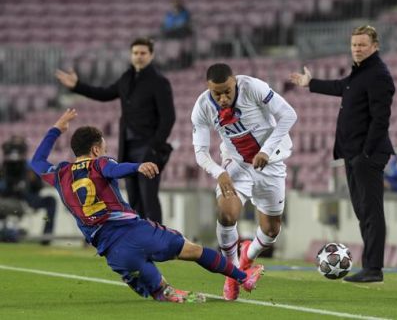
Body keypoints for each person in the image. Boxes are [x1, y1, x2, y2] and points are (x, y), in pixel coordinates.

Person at [30, 108, 264, 303]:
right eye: (103, 147)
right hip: (135, 232)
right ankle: (243, 277)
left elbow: (36, 161)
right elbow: (113, 169)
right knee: (193, 250)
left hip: (113, 253)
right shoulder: (99, 163)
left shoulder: (60, 173)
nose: (105, 151)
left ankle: (164, 291)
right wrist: (136, 166)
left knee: (159, 291)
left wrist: (56, 129)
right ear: (95, 150)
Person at [290, 25, 395, 283]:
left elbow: (381, 119)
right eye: (354, 45)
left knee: (371, 212)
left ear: (375, 46)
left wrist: (367, 153)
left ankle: (373, 269)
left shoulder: (378, 75)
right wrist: (310, 83)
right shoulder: (361, 73)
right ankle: (371, 267)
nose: (357, 49)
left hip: (366, 155)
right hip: (354, 154)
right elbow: (341, 86)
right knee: (363, 211)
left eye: (362, 44)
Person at [191, 63, 297, 300]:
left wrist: (267, 151)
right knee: (226, 213)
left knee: (271, 231)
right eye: (217, 93)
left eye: (227, 91)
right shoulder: (202, 107)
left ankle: (248, 253)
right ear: (208, 88)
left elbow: (289, 115)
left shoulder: (253, 87)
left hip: (270, 163)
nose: (223, 97)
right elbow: (200, 152)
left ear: (234, 82)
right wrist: (219, 172)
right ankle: (233, 274)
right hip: (236, 165)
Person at [55, 37, 175, 223]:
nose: (139, 57)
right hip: (127, 146)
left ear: (151, 55)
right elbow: (105, 94)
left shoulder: (159, 82)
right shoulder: (127, 78)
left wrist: (154, 146)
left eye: (143, 53)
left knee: (149, 198)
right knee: (134, 199)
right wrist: (78, 86)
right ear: (131, 55)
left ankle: (158, 243)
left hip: (148, 147)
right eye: (135, 53)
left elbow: (168, 118)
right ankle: (139, 243)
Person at [0, 135, 56, 245]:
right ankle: (6, 232)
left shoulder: (29, 168)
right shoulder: (4, 168)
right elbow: (2, 189)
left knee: (51, 201)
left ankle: (46, 236)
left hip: (29, 198)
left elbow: (38, 188)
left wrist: (34, 180)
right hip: (10, 200)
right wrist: (11, 184)